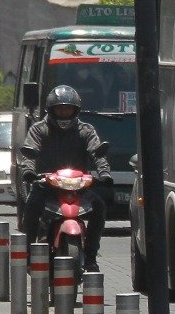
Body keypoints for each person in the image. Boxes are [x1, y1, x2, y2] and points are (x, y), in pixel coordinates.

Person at [19, 85, 111, 272]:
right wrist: (29, 172)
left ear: (75, 110)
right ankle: (28, 254)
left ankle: (91, 256)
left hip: (78, 187)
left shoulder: (85, 130)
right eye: (60, 109)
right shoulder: (39, 129)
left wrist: (104, 173)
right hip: (46, 186)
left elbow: (97, 152)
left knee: (99, 207)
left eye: (67, 109)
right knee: (31, 207)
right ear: (51, 110)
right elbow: (30, 153)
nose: (64, 113)